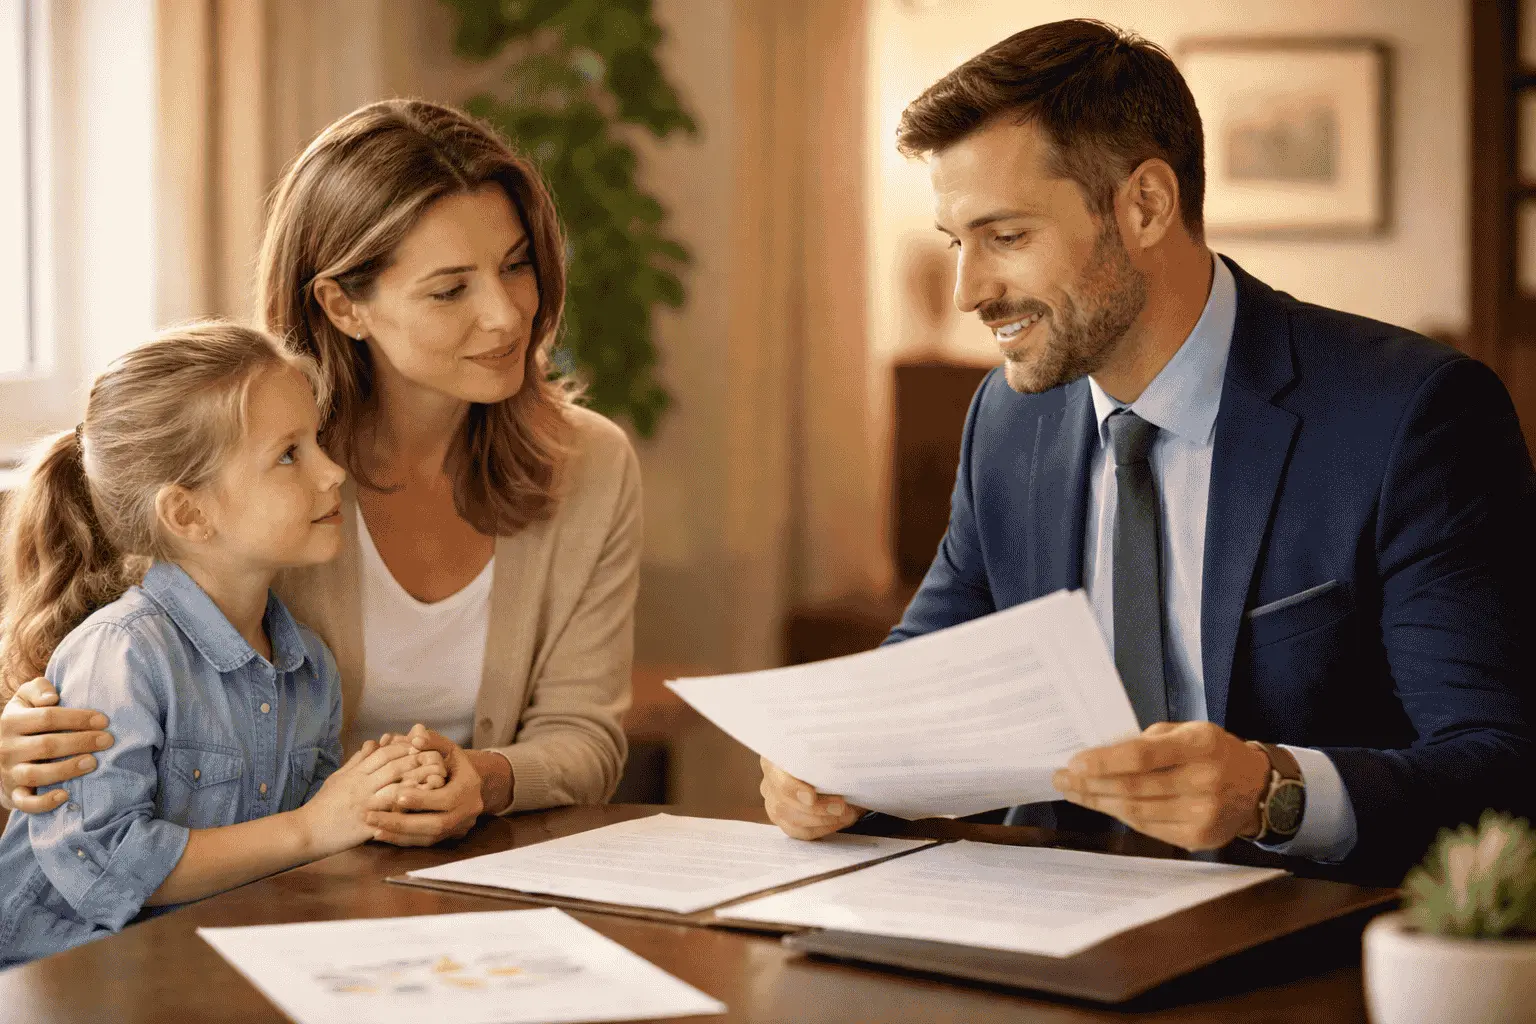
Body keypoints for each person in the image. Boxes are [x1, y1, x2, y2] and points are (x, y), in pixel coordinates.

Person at [760, 19, 1535, 879]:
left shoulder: (1411, 418)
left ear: (1146, 205)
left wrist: (1275, 791)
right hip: (1044, 920)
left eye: (1006, 237)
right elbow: (929, 668)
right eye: (957, 243)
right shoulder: (1007, 421)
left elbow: (1500, 767)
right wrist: (832, 758)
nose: (969, 290)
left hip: (1295, 940)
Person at [0, 99, 642, 846]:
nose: (507, 316)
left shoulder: (591, 465)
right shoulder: (248, 474)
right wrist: (25, 740)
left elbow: (586, 739)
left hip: (471, 885)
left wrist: (484, 778)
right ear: (343, 306)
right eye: (450, 289)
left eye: (516, 265)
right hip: (260, 895)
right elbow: (98, 693)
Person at [0, 324, 445, 966]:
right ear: (187, 514)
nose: (332, 471)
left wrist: (387, 794)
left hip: (199, 971)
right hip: (69, 981)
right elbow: (104, 865)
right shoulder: (119, 656)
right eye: (290, 454)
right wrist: (312, 826)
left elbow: (315, 847)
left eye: (316, 441)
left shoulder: (310, 665)